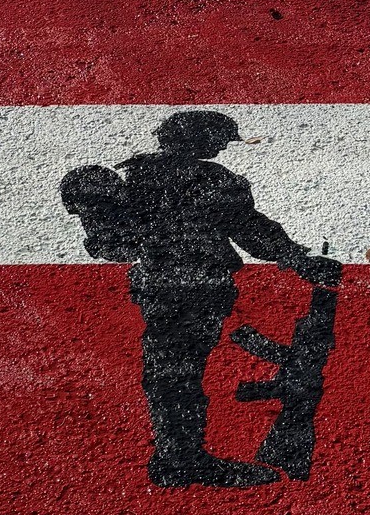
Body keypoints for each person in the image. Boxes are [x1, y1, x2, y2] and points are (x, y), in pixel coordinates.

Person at [61, 111, 341, 488]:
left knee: (171, 374)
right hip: (199, 288)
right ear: (203, 141)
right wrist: (294, 258)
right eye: (222, 139)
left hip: (157, 288)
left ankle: (178, 456)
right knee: (179, 376)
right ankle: (182, 461)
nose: (224, 146)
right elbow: (250, 229)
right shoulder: (213, 180)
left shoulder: (138, 177)